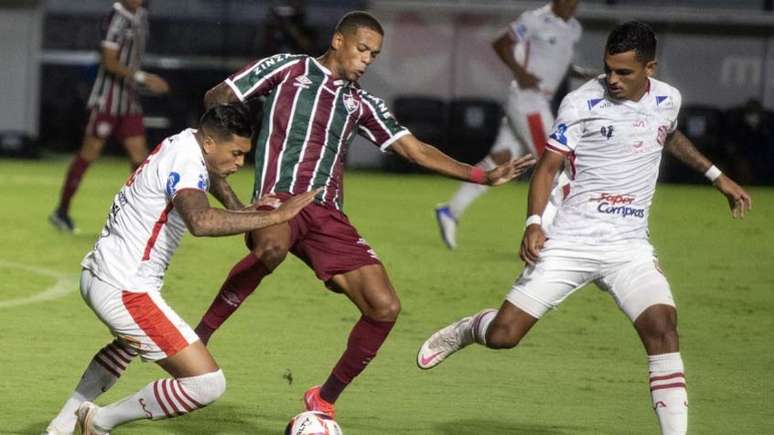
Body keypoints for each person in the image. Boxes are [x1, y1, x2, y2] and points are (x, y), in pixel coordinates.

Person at [193, 11, 536, 418]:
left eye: (374, 55)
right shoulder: (290, 68)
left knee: (384, 307)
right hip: (278, 201)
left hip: (326, 215)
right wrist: (224, 162)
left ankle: (323, 400)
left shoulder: (361, 103)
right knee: (270, 244)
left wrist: (480, 174)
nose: (366, 60)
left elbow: (414, 149)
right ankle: (198, 337)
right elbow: (219, 96)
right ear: (338, 41)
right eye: (362, 49)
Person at [417, 22, 752, 435]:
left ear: (650, 67)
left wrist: (717, 176)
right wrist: (535, 222)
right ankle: (469, 328)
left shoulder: (669, 99)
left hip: (628, 247)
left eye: (624, 72)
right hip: (569, 241)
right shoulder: (580, 103)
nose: (612, 79)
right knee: (504, 335)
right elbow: (547, 167)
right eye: (608, 69)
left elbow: (669, 134)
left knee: (663, 331)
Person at [42, 105, 317, 435]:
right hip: (125, 290)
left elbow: (211, 175)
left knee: (129, 344)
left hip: (101, 272)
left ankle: (59, 428)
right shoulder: (188, 162)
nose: (240, 163)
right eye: (236, 153)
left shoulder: (187, 141)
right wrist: (274, 217)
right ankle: (99, 421)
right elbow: (200, 221)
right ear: (211, 143)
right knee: (207, 383)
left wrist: (239, 209)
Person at [435, 0, 594, 249]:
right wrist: (520, 73)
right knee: (553, 164)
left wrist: (580, 73)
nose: (573, 5)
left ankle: (450, 211)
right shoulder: (534, 19)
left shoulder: (573, 28)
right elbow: (501, 43)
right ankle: (554, 237)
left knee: (501, 159)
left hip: (538, 100)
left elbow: (556, 61)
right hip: (529, 102)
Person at [49, 0, 170, 233]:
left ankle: (142, 217)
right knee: (89, 153)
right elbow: (109, 61)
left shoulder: (141, 16)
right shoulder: (116, 18)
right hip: (107, 100)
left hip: (128, 101)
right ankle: (61, 211)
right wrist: (144, 79)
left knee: (140, 159)